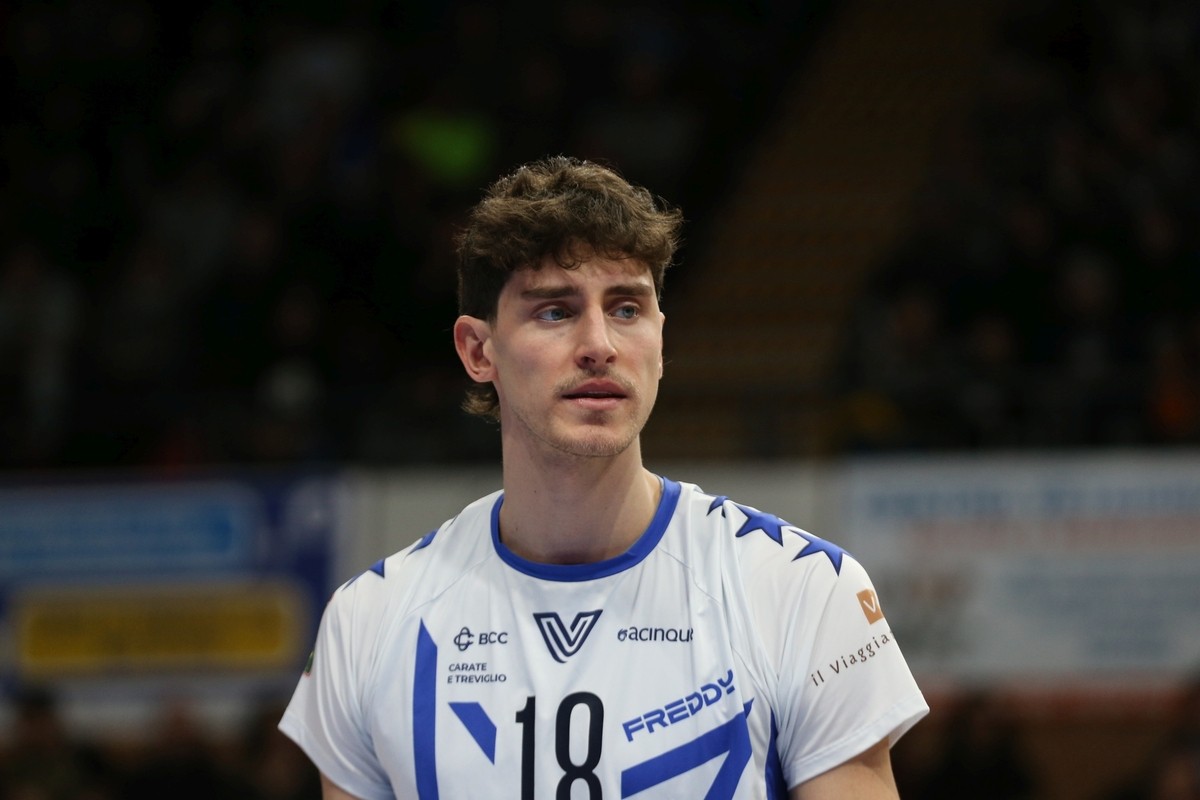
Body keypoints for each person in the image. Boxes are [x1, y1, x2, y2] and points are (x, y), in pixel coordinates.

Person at [279, 156, 929, 798]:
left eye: (625, 309)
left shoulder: (804, 591)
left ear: (661, 341)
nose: (600, 344)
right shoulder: (369, 622)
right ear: (478, 350)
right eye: (555, 311)